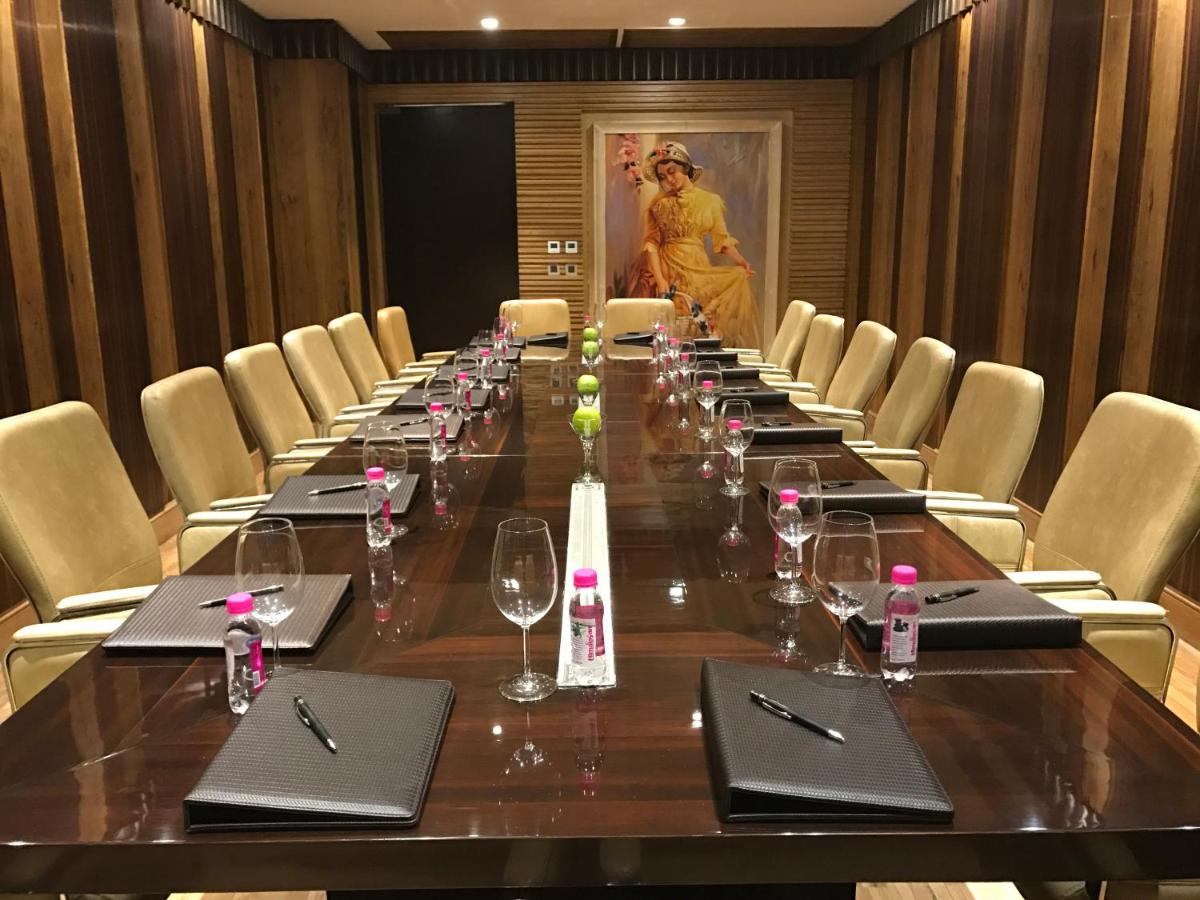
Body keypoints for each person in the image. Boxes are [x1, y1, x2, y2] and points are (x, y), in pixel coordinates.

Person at [641, 141, 761, 348]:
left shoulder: (710, 201)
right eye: (663, 176)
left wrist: (741, 262)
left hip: (697, 266)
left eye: (672, 172)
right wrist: (660, 279)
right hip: (669, 267)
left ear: (686, 169)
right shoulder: (658, 205)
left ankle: (701, 360)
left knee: (700, 321)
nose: (669, 179)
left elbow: (722, 239)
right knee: (675, 323)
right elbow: (651, 244)